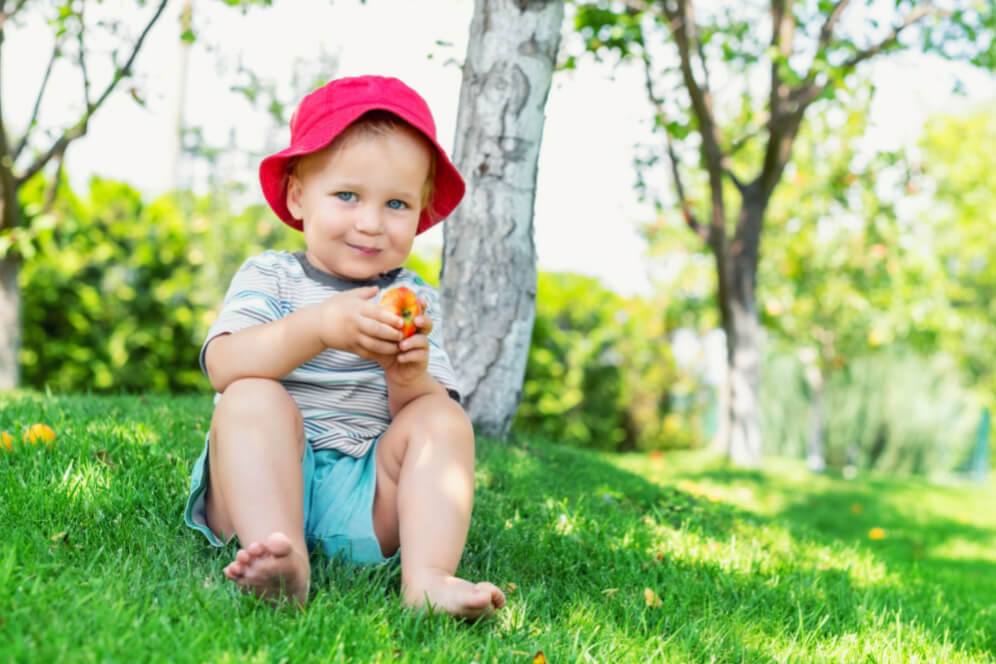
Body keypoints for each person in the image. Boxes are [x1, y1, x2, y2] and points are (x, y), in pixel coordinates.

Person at [183, 75, 506, 618]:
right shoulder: (272, 275)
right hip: (260, 484)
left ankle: (427, 579)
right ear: (297, 195)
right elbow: (223, 365)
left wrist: (406, 373)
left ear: (422, 211)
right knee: (250, 397)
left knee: (443, 418)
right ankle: (279, 557)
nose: (370, 222)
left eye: (397, 203)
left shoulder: (414, 299)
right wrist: (318, 328)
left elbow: (419, 419)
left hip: (366, 501)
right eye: (347, 195)